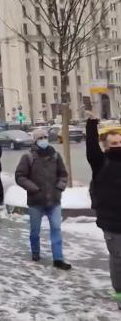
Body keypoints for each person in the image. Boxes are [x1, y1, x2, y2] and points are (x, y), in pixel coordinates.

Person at [15, 128, 71, 270]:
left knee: (56, 229)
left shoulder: (55, 156)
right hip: (36, 201)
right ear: (35, 140)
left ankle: (58, 258)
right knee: (35, 230)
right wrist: (34, 189)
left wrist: (59, 187)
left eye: (45, 137)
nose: (43, 140)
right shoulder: (28, 157)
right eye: (40, 138)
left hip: (54, 200)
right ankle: (35, 253)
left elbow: (63, 174)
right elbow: (20, 176)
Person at [86, 112, 121, 309]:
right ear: (106, 146)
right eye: (114, 144)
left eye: (120, 142)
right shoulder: (100, 163)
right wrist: (91, 124)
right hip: (112, 223)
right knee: (119, 261)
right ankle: (120, 295)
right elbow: (91, 147)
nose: (118, 146)